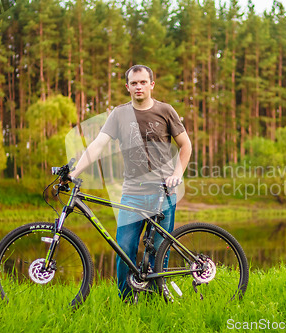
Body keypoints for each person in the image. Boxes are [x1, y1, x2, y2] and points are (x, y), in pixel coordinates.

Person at [68, 64, 192, 300]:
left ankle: (158, 301)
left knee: (159, 253)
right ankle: (125, 302)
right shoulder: (118, 114)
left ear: (151, 85)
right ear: (127, 87)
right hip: (132, 194)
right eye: (134, 83)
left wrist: (178, 173)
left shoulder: (166, 111)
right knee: (124, 249)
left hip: (163, 193)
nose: (139, 86)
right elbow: (96, 147)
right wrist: (74, 173)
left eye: (143, 82)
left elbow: (186, 145)